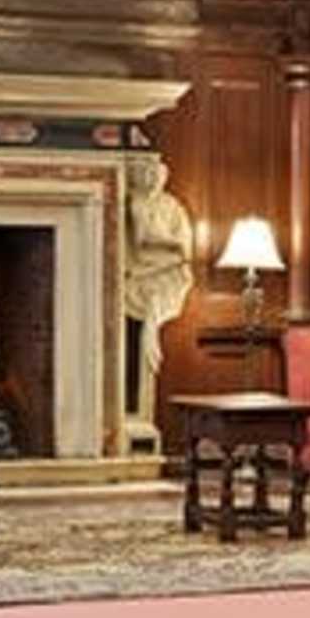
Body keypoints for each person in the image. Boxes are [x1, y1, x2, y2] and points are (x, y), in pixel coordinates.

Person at [121, 154, 195, 449]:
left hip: (158, 280)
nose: (150, 179)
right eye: (144, 173)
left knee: (144, 341)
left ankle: (138, 422)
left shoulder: (171, 206)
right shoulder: (131, 204)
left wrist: (164, 243)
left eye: (155, 174)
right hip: (134, 281)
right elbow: (141, 240)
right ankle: (129, 420)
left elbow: (184, 250)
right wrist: (167, 243)